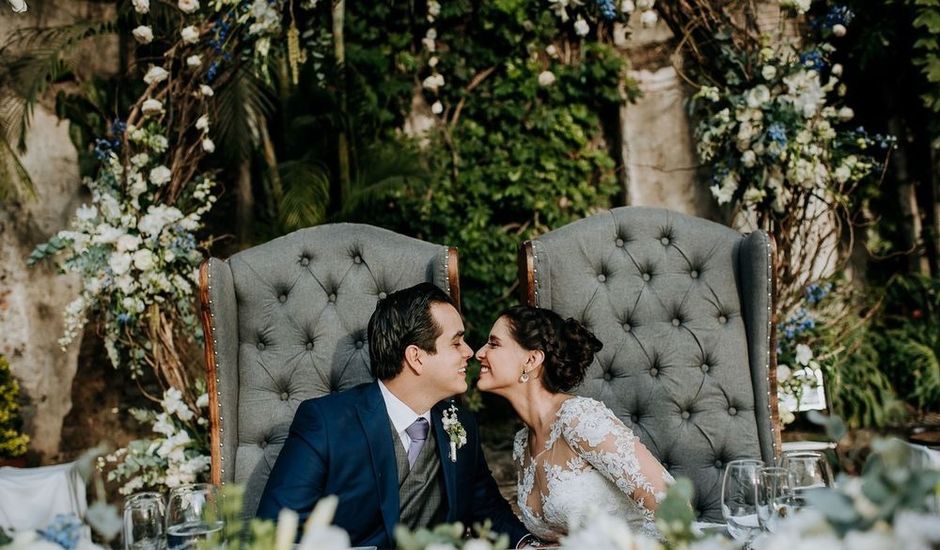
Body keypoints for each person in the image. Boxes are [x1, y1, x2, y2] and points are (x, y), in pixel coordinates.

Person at [256, 283, 528, 548]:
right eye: (456, 342)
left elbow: (487, 508)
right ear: (416, 357)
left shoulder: (460, 422)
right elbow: (275, 531)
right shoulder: (325, 422)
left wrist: (529, 545)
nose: (470, 352)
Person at [476, 305, 674, 542]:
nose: (479, 352)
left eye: (494, 344)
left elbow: (673, 507)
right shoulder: (522, 444)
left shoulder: (578, 418)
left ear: (531, 359)